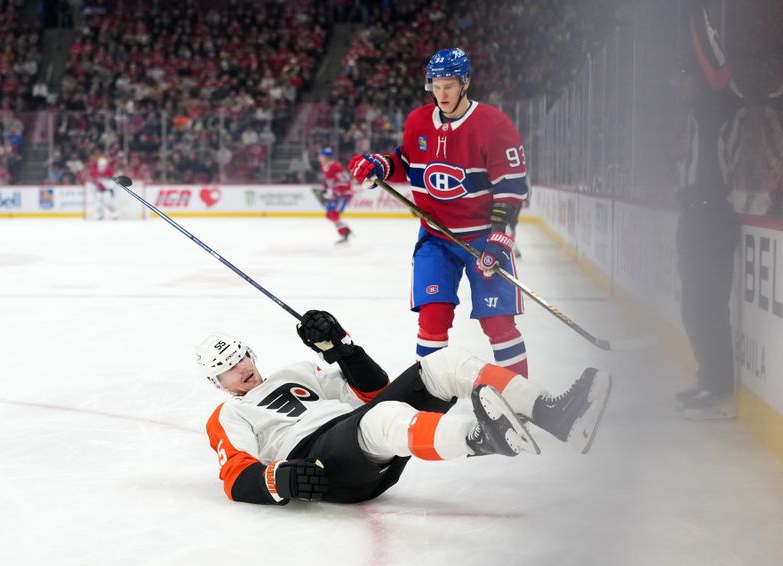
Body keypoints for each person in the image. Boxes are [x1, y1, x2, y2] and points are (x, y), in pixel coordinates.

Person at [197, 310, 612, 506]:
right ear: (217, 383)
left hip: (356, 434)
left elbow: (372, 390)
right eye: (228, 369)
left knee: (444, 364)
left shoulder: (298, 369)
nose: (242, 368)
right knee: (381, 420)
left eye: (241, 357)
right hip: (322, 466)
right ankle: (481, 437)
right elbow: (235, 475)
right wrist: (278, 479)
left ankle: (556, 414)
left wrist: (343, 349)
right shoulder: (229, 415)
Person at [347, 48, 530, 375]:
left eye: (449, 85)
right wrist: (381, 166)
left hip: (480, 238)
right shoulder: (418, 120)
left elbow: (511, 187)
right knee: (432, 318)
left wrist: (499, 238)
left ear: (465, 82)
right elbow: (407, 163)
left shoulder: (494, 124)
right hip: (435, 238)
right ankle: (428, 401)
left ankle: (522, 399)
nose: (441, 93)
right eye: (436, 85)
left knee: (498, 323)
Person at [673, 2, 742, 420]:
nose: (678, 85)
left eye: (684, 77)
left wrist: (694, 15)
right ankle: (707, 377)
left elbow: (716, 70)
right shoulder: (693, 117)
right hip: (694, 217)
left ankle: (719, 384)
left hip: (713, 216)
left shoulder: (717, 108)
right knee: (693, 304)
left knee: (709, 304)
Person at [318, 147, 354, 244]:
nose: (319, 158)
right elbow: (327, 181)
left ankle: (345, 233)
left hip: (343, 195)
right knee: (329, 215)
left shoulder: (335, 166)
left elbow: (345, 180)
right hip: (335, 195)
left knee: (334, 214)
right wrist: (325, 189)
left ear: (326, 158)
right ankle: (345, 231)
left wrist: (336, 189)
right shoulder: (323, 167)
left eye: (321, 156)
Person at [87, 155, 119, 221]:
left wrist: (109, 185)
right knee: (98, 204)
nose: (102, 166)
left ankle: (114, 213)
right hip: (98, 190)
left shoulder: (109, 171)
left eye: (103, 165)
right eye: (101, 165)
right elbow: (91, 181)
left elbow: (112, 180)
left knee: (109, 202)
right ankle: (99, 215)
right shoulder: (94, 171)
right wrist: (93, 186)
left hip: (106, 190)